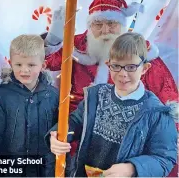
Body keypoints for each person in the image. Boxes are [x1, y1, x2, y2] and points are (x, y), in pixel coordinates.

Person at [43, 0, 179, 159]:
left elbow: (167, 96)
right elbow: (43, 62)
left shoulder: (139, 51)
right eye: (98, 24)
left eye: (111, 23)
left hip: (125, 135)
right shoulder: (77, 45)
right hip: (79, 127)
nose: (105, 30)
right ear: (90, 25)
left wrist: (172, 134)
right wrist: (53, 38)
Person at [47, 32, 178, 177]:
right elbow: (75, 122)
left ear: (145, 68)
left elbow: (164, 159)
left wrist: (133, 168)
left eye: (131, 67)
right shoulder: (95, 96)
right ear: (109, 65)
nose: (122, 74)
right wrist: (57, 136)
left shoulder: (157, 113)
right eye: (116, 66)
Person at [0, 35, 59, 177]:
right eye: (19, 65)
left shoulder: (53, 96)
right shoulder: (2, 96)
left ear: (42, 65)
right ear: (11, 63)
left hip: (45, 170)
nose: (24, 70)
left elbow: (58, 134)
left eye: (31, 65)